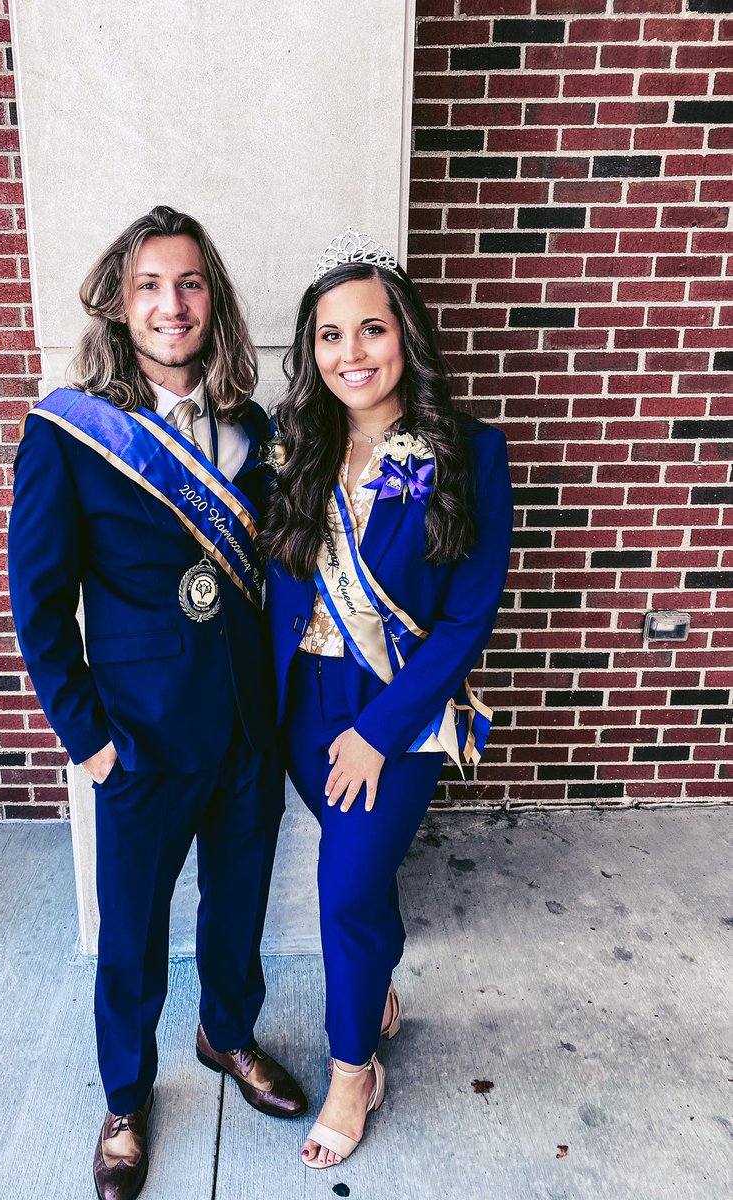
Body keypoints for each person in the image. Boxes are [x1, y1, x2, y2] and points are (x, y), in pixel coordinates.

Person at [7, 205, 307, 1200]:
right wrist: (87, 741)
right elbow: (38, 606)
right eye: (149, 287)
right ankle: (127, 1097)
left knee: (238, 910)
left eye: (188, 284)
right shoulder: (68, 432)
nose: (170, 305)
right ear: (119, 304)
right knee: (130, 933)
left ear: (212, 300)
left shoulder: (253, 432)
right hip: (135, 740)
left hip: (244, 731)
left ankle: (227, 1036)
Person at [260, 229, 514, 1168]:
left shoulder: (470, 454)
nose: (351, 353)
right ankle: (375, 983)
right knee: (355, 879)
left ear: (404, 336)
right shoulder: (295, 446)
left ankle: (351, 1070)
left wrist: (377, 729)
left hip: (395, 711)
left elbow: (463, 623)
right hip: (303, 704)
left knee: (345, 891)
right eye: (330, 336)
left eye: (371, 329)